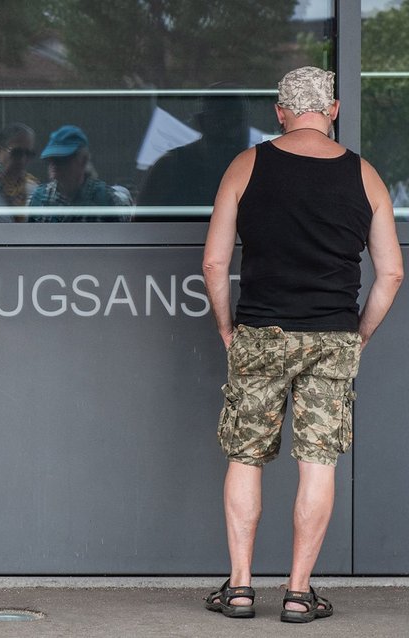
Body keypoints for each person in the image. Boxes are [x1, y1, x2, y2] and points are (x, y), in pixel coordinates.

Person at [201, 67, 402, 623]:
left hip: (259, 334)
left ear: (280, 112)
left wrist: (226, 325)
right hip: (332, 336)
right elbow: (390, 275)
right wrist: (357, 333)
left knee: (246, 457)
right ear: (333, 110)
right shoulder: (367, 177)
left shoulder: (247, 165)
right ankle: (297, 592)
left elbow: (215, 261)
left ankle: (239, 588)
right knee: (318, 463)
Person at [140, 92, 252, 209]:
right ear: (201, 121)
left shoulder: (257, 168)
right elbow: (141, 223)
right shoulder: (169, 168)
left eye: (238, 119)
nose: (231, 128)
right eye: (221, 118)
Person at [28, 125, 131, 221]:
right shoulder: (39, 197)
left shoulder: (106, 199)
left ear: (83, 160)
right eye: (51, 159)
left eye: (62, 159)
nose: (54, 164)